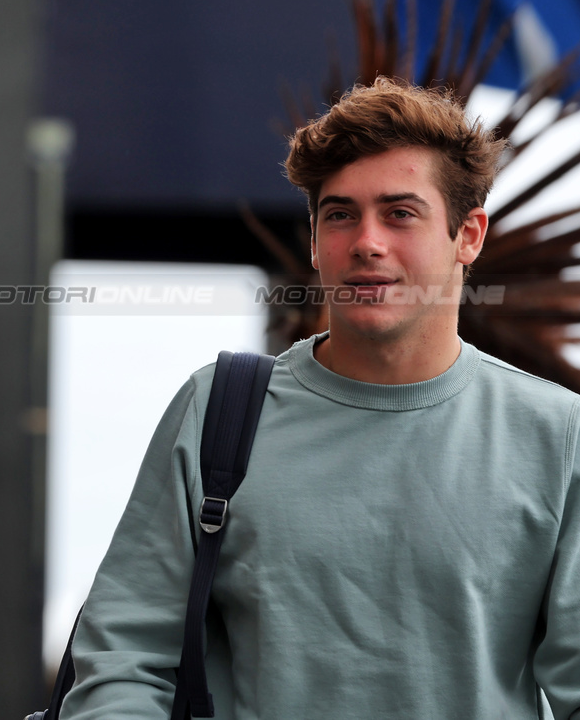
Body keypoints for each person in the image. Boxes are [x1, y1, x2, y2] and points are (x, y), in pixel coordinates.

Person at [61, 76, 580, 719]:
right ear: (313, 241)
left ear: (467, 235)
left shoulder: (556, 434)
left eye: (400, 213)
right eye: (340, 214)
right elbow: (122, 659)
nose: (366, 241)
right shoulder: (218, 412)